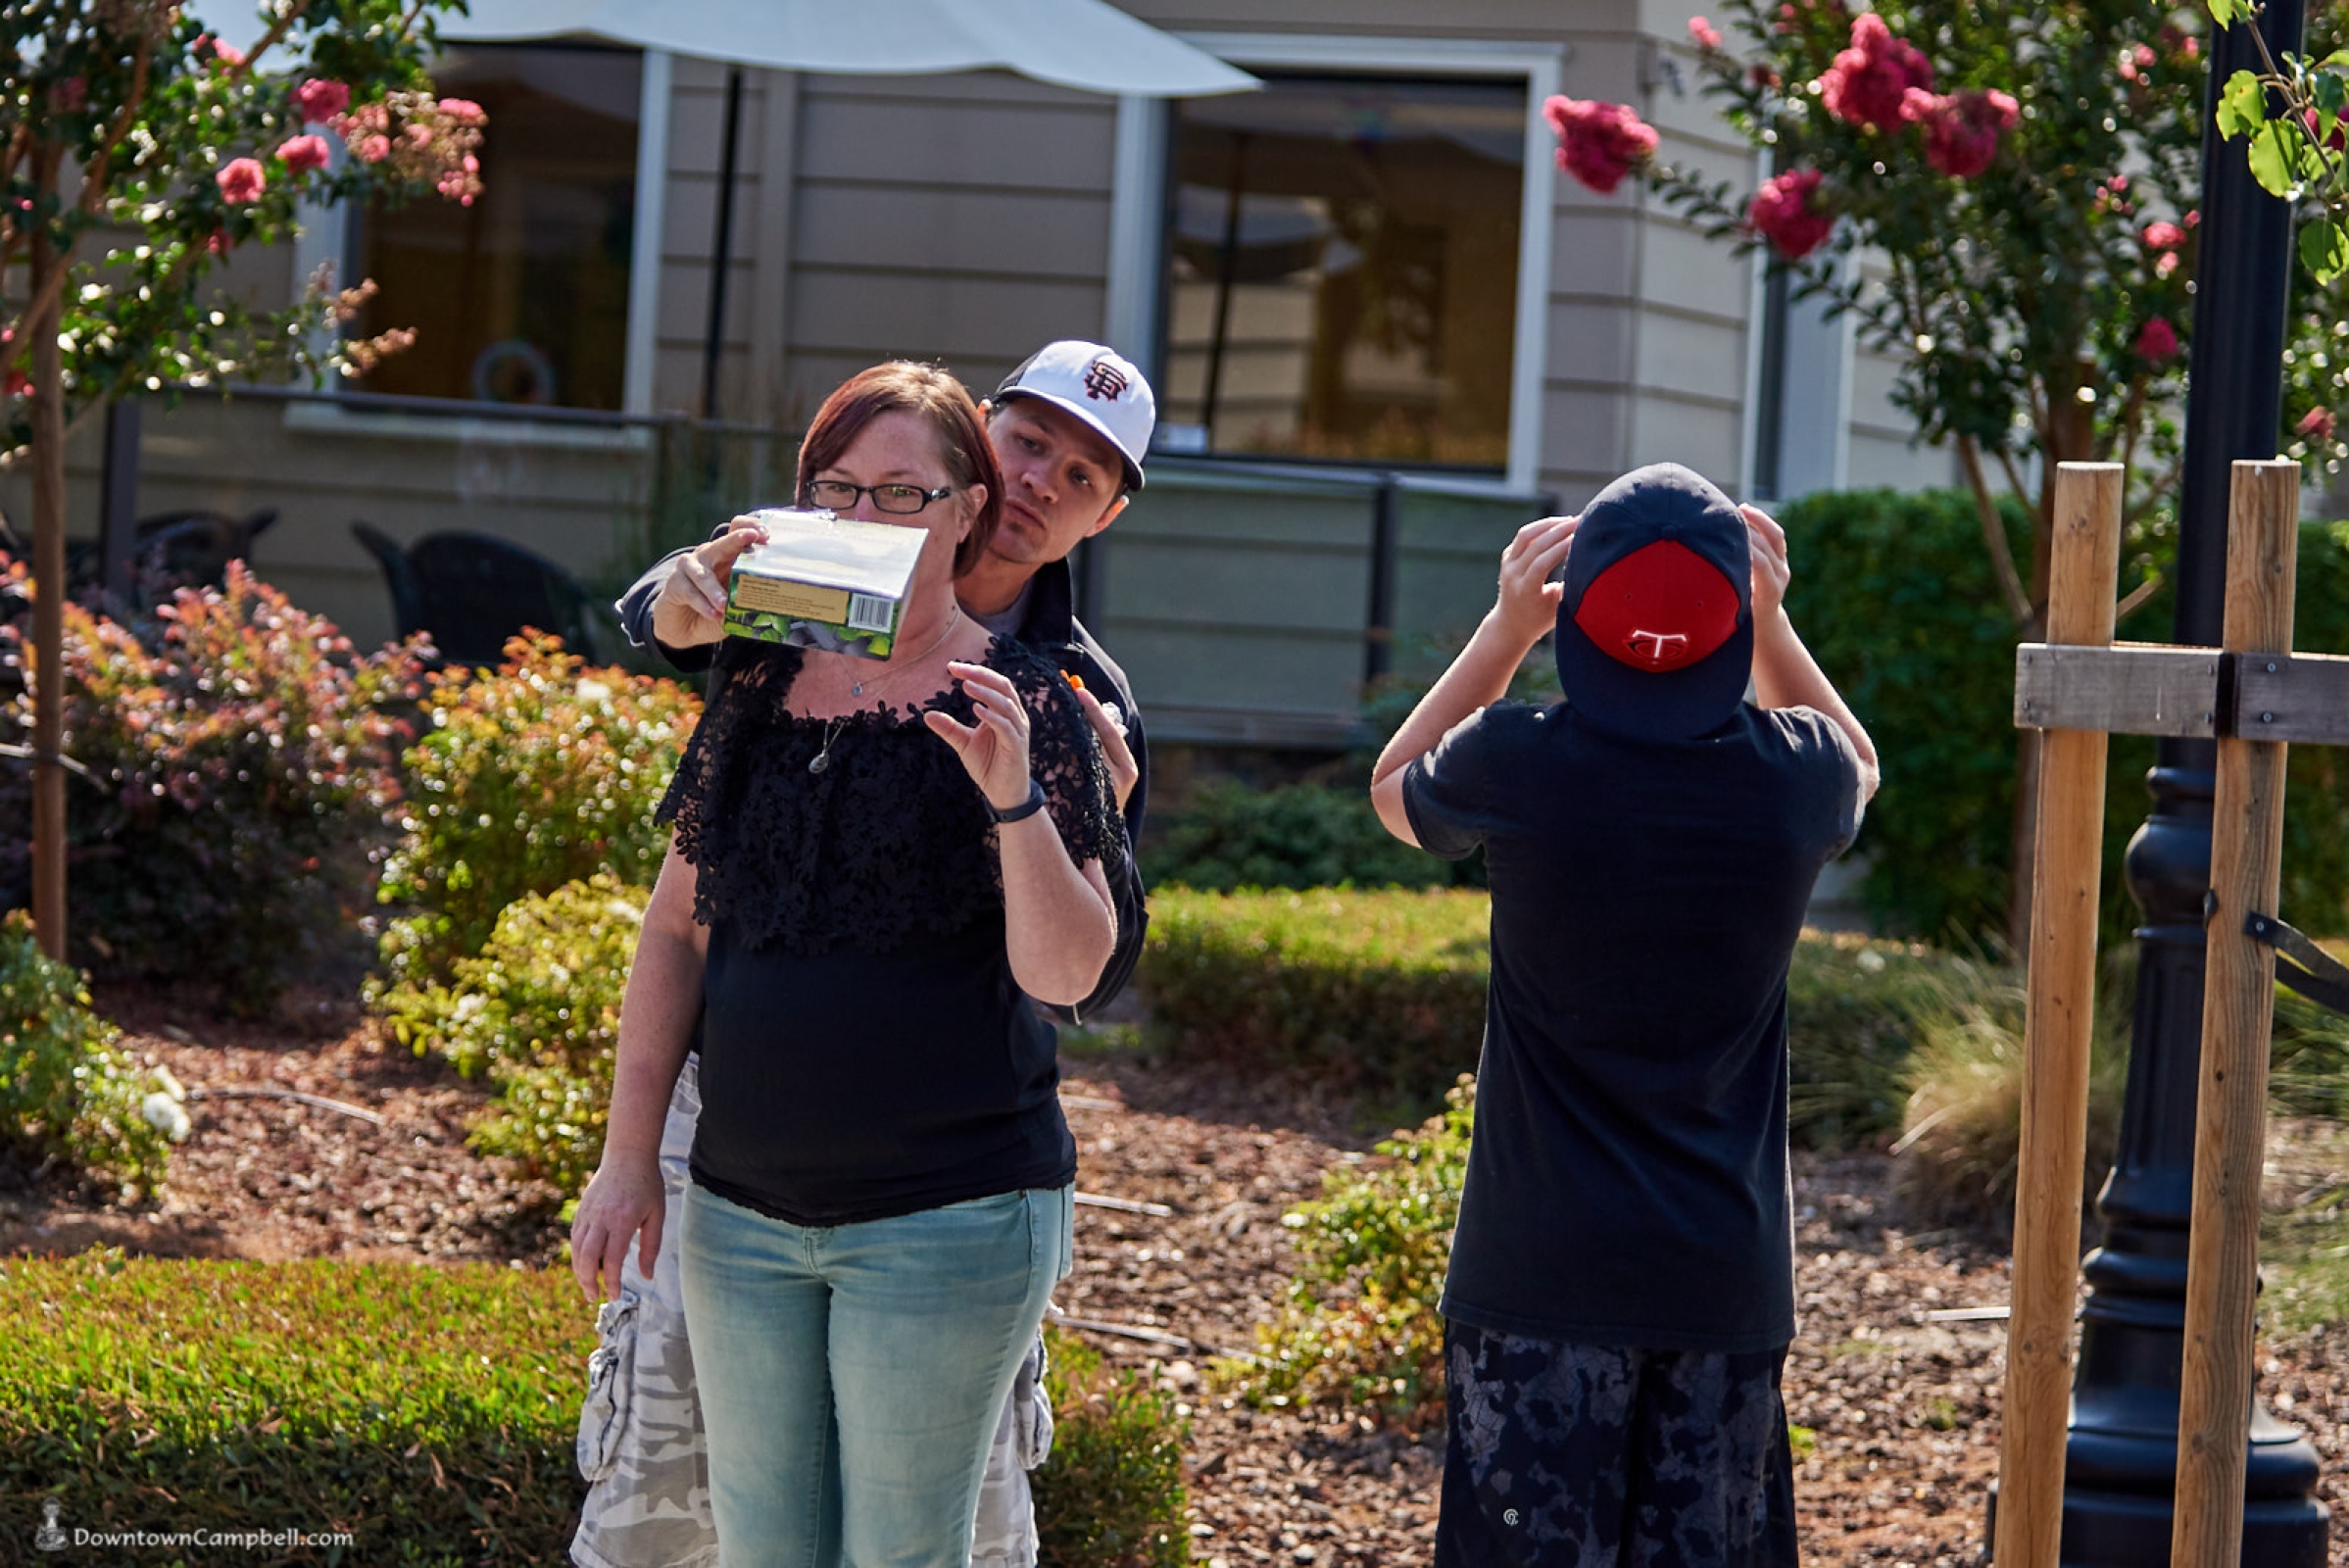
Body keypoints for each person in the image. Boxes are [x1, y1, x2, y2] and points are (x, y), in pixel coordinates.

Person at [571, 341, 1155, 1568]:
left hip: (947, 1203)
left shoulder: (1063, 692)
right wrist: (628, 1158)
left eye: (1084, 473)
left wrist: (1036, 801)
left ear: (966, 506)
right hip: (740, 1191)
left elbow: (1078, 973)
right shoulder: (772, 642)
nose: (1044, 478)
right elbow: (676, 912)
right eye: (1032, 441)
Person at [1368, 463, 1880, 1568]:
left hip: (1534, 1272)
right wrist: (1771, 620)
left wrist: (1505, 628)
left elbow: (1393, 786)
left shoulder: (1514, 761)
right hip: (1722, 1277)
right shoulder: (1794, 782)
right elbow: (1861, 764)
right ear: (1730, 619)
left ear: (1575, 615)